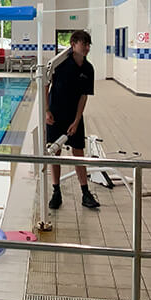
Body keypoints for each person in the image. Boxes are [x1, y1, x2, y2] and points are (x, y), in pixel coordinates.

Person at [46, 29, 99, 209]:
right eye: (84, 44)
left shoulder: (88, 68)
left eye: (88, 44)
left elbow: (84, 96)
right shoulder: (59, 64)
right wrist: (46, 111)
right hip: (55, 115)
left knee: (78, 153)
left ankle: (85, 193)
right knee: (55, 152)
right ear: (73, 44)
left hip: (74, 117)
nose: (87, 47)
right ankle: (56, 191)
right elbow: (45, 85)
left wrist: (76, 121)